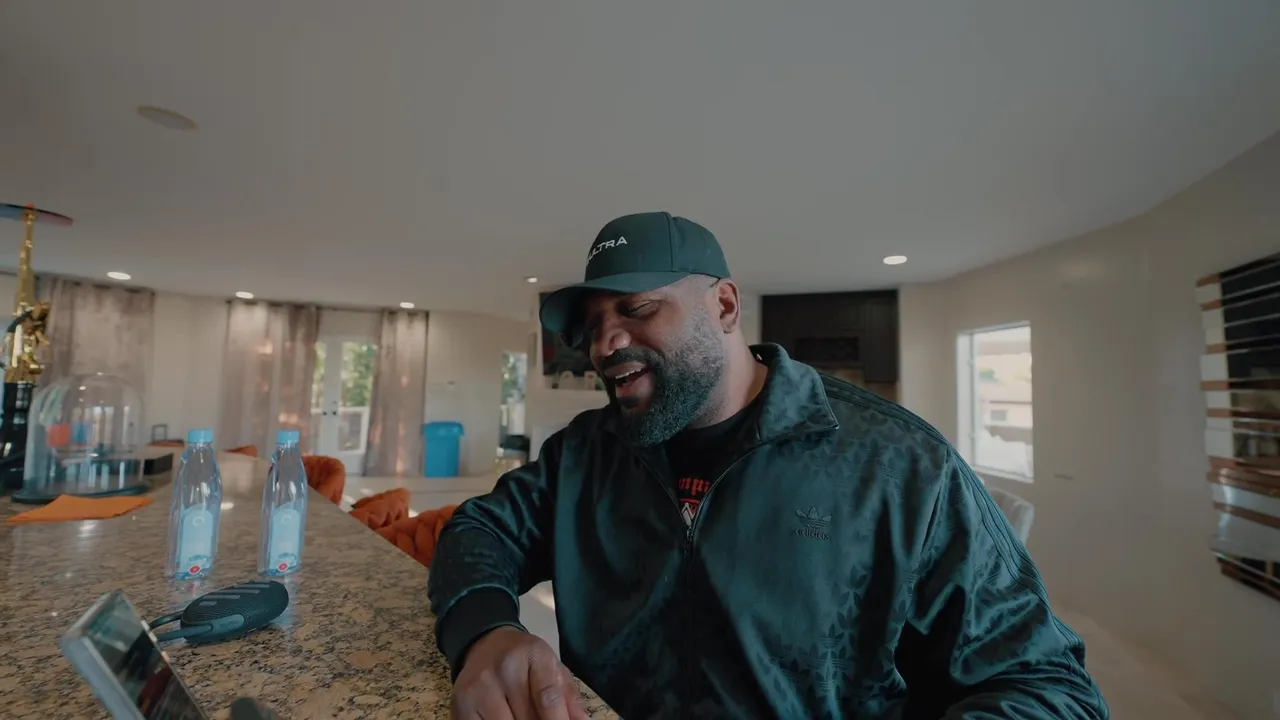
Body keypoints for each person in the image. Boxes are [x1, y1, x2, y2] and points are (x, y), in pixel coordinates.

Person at [428, 212, 1109, 719]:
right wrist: (485, 631)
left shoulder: (901, 467)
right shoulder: (585, 453)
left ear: (724, 306)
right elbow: (479, 531)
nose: (604, 344)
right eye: (591, 324)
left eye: (636, 309)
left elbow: (1047, 688)